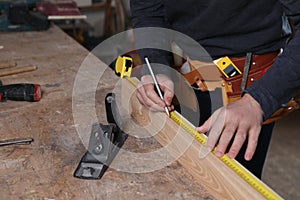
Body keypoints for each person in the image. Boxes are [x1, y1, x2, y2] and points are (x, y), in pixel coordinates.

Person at [129, 0, 300, 178]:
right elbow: (148, 9)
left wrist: (258, 100)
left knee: (233, 188)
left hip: (245, 95)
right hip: (183, 81)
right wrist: (157, 65)